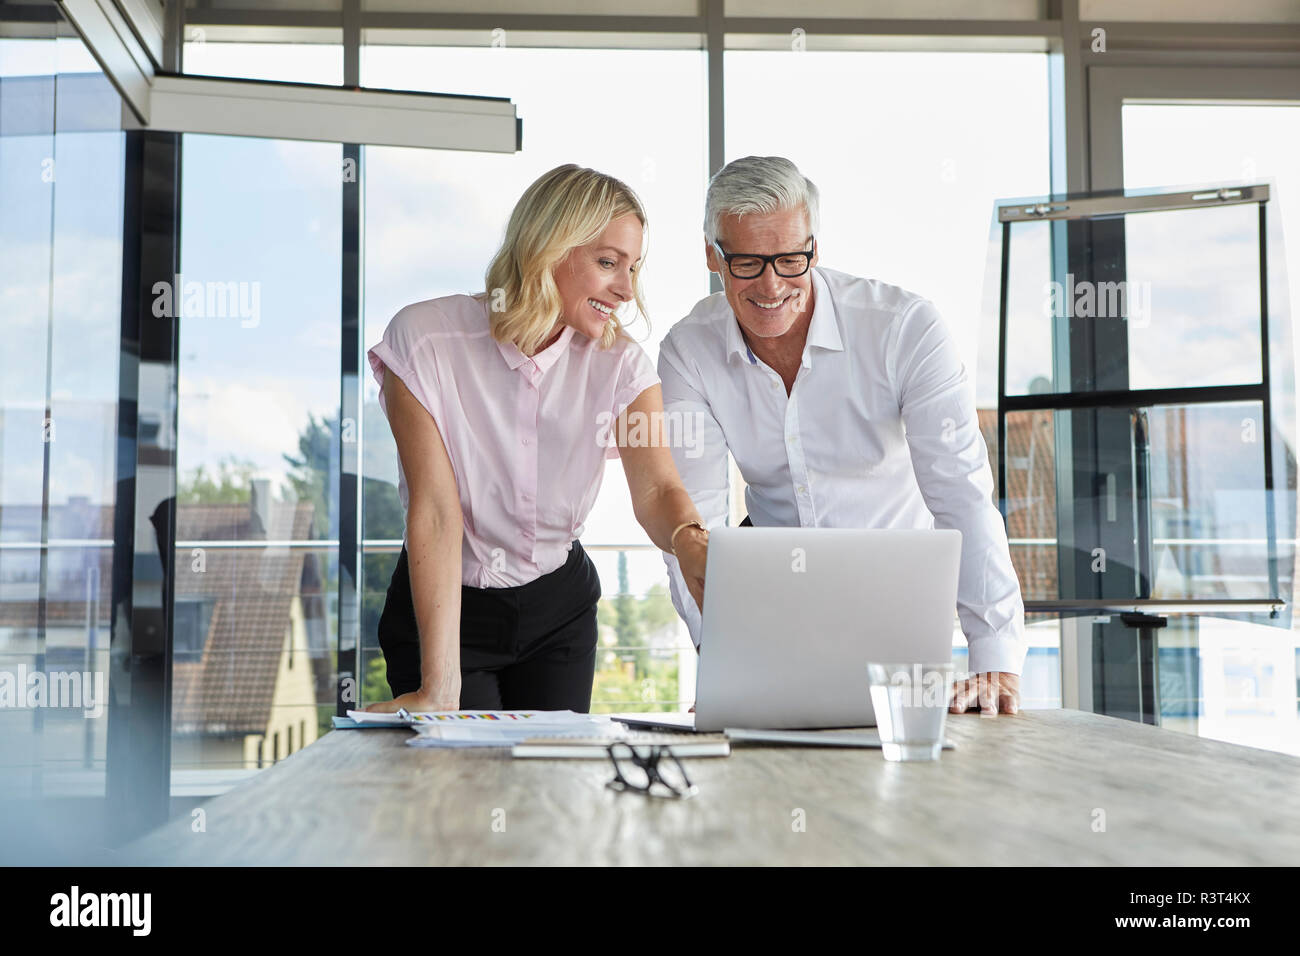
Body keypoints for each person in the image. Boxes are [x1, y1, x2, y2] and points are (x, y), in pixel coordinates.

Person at [659, 155, 1027, 716]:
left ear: (814, 246)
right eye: (747, 264)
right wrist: (723, 656)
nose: (771, 285)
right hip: (772, 624)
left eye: (789, 259)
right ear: (712, 255)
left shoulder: (904, 328)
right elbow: (694, 520)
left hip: (901, 621)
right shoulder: (689, 351)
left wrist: (993, 656)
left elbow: (961, 492)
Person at [364, 164, 709, 715]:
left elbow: (657, 490)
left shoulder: (621, 366)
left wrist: (691, 539)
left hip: (559, 610)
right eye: (607, 262)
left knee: (548, 789)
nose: (625, 289)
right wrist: (439, 686)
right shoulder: (427, 341)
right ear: (549, 248)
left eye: (633, 267)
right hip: (447, 610)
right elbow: (433, 510)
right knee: (459, 788)